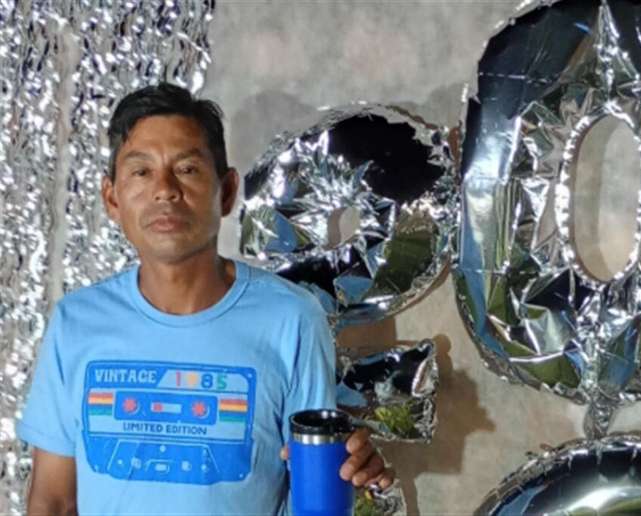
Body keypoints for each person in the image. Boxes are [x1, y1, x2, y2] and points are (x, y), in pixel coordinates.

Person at [17, 83, 393, 515]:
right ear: (112, 198)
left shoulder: (291, 318)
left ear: (227, 191)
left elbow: (316, 490)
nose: (165, 190)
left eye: (188, 169)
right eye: (141, 172)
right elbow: (53, 500)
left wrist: (356, 476)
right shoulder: (76, 322)